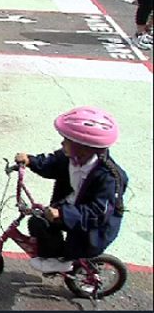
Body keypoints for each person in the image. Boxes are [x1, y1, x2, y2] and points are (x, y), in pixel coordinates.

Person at [14, 106, 128, 273]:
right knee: (38, 222)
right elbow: (51, 164)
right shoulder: (70, 158)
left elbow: (98, 212)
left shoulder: (109, 178)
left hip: (92, 227)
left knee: (76, 244)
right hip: (70, 207)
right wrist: (30, 161)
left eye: (67, 140)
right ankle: (53, 256)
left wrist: (63, 214)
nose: (62, 143)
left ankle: (64, 261)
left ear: (83, 147)